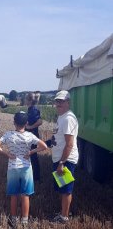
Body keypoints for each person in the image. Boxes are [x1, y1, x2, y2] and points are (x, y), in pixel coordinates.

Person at [0, 111, 47, 228]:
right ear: (26, 123)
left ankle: (13, 219)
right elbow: (44, 146)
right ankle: (25, 221)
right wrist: (31, 152)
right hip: (26, 168)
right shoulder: (30, 135)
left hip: (13, 168)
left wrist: (7, 154)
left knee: (14, 195)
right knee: (25, 195)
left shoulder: (8, 135)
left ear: (14, 122)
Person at [51, 90, 79, 224]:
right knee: (62, 189)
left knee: (66, 190)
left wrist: (62, 162)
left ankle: (64, 217)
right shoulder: (61, 117)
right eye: (57, 101)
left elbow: (69, 144)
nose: (58, 104)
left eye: (61, 101)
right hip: (59, 158)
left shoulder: (68, 118)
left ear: (68, 102)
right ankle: (64, 212)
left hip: (66, 160)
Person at [25, 92, 42, 182]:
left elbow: (40, 121)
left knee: (33, 156)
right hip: (30, 136)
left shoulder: (33, 110)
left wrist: (29, 127)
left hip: (32, 137)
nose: (24, 100)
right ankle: (33, 176)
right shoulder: (30, 109)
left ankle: (36, 177)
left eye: (26, 99)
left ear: (30, 100)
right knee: (31, 155)